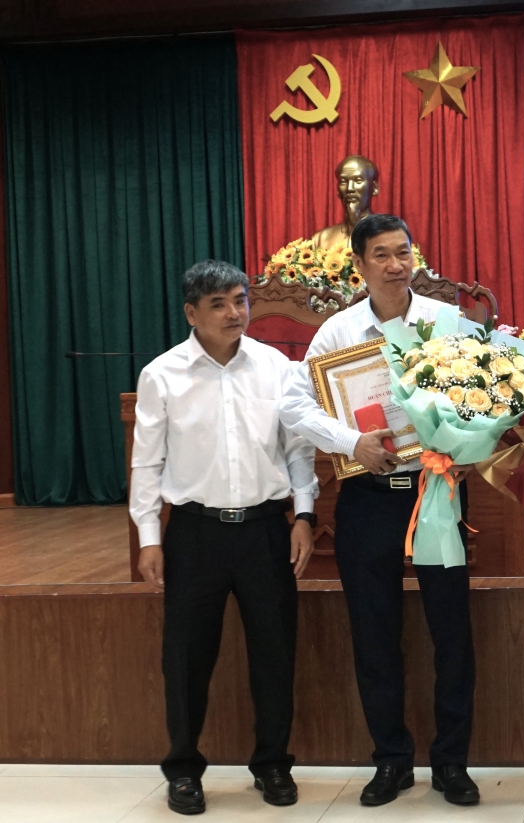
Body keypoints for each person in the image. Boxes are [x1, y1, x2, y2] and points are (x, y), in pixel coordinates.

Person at [281, 213, 479, 807]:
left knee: (452, 633)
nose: (395, 265)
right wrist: (351, 443)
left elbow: (485, 396)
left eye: (403, 252)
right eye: (382, 256)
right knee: (373, 634)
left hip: (435, 492)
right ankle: (391, 760)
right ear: (360, 265)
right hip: (368, 498)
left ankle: (452, 763)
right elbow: (295, 407)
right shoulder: (337, 333)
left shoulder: (447, 322)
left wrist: (470, 449)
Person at [130, 260, 318, 815]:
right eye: (219, 304)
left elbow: (298, 448)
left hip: (265, 531)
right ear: (192, 313)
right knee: (186, 658)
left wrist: (304, 515)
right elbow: (147, 462)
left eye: (240, 300)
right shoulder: (162, 375)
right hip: (194, 534)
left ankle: (273, 764)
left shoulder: (277, 367)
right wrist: (148, 536)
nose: (235, 313)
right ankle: (184, 770)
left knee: (274, 653)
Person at [311, 155, 379, 250]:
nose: (350, 188)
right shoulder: (321, 239)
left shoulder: (389, 236)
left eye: (358, 181)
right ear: (338, 191)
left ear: (374, 188)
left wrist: (357, 227)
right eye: (344, 182)